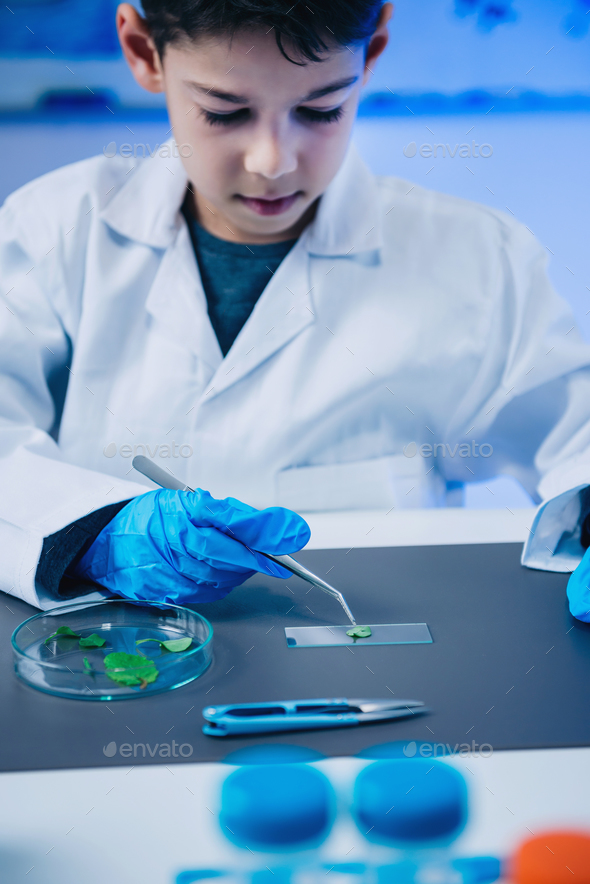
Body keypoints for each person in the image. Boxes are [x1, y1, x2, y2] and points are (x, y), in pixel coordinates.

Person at [1, 0, 590, 618]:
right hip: (113, 669)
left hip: (375, 676)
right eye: (223, 112)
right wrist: (92, 533)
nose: (272, 162)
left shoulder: (473, 257)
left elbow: (577, 434)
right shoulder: (52, 231)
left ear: (374, 51)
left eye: (321, 109)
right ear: (145, 52)